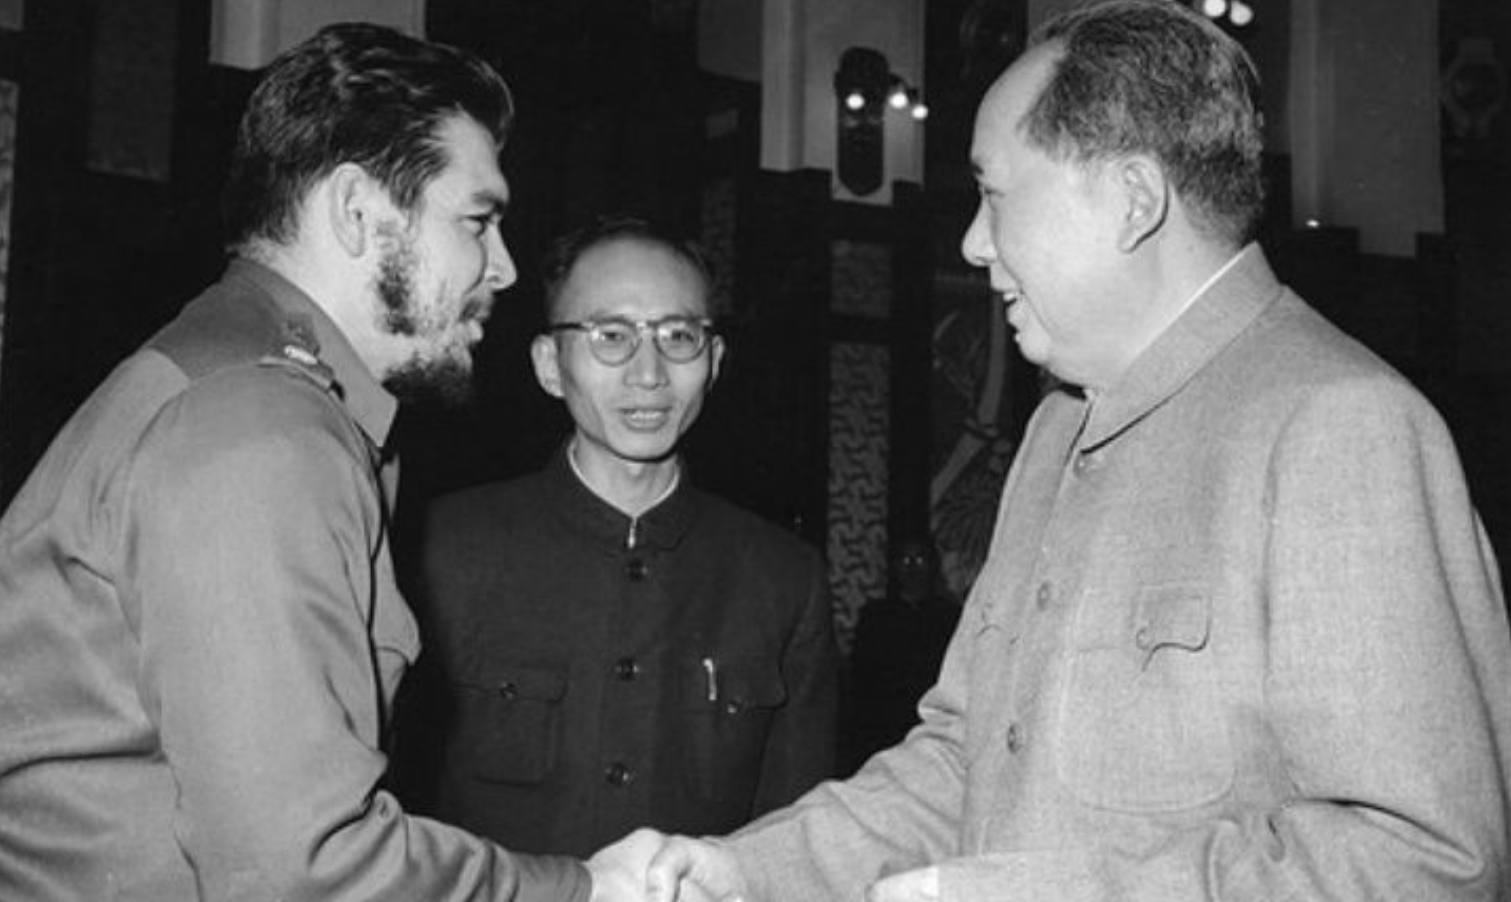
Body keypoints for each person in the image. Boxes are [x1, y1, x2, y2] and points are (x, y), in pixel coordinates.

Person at [634, 1, 1511, 900]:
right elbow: (966, 763)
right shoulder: (1055, 431)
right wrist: (744, 870)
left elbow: (1426, 861)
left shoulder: (1342, 426)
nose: (973, 242)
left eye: (994, 195)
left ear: (1132, 200)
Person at [0, 23, 648, 902]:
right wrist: (584, 892)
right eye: (477, 220)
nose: (501, 267)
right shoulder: (260, 429)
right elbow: (297, 872)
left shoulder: (242, 386)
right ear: (355, 211)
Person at [391, 215, 839, 858]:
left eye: (678, 336)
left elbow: (792, 844)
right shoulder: (436, 551)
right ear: (550, 364)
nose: (648, 373)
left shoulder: (783, 578)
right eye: (611, 336)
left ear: (713, 362)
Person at [843, 535, 960, 772]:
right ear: (893, 566)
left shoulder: (950, 616)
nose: (912, 568)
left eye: (919, 559)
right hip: (883, 732)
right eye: (905, 560)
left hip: (935, 731)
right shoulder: (875, 617)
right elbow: (862, 683)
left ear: (932, 564)